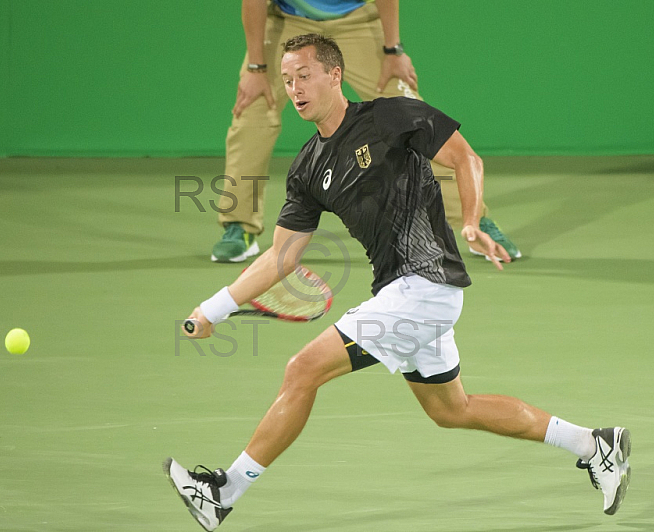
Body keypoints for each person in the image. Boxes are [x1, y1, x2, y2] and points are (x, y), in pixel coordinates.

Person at [166, 34, 630, 531]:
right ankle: (594, 444)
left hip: (426, 286)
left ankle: (223, 492)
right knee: (452, 409)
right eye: (286, 80)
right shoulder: (307, 168)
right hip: (401, 293)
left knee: (303, 370)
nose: (294, 88)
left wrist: (471, 220)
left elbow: (465, 158)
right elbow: (280, 255)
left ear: (334, 75)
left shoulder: (389, 116)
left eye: (304, 76)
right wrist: (211, 308)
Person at [211, 0, 520, 264]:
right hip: (287, 23)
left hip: (358, 20)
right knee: (252, 116)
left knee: (412, 120)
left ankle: (474, 219)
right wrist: (256, 68)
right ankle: (240, 224)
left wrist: (392, 50)